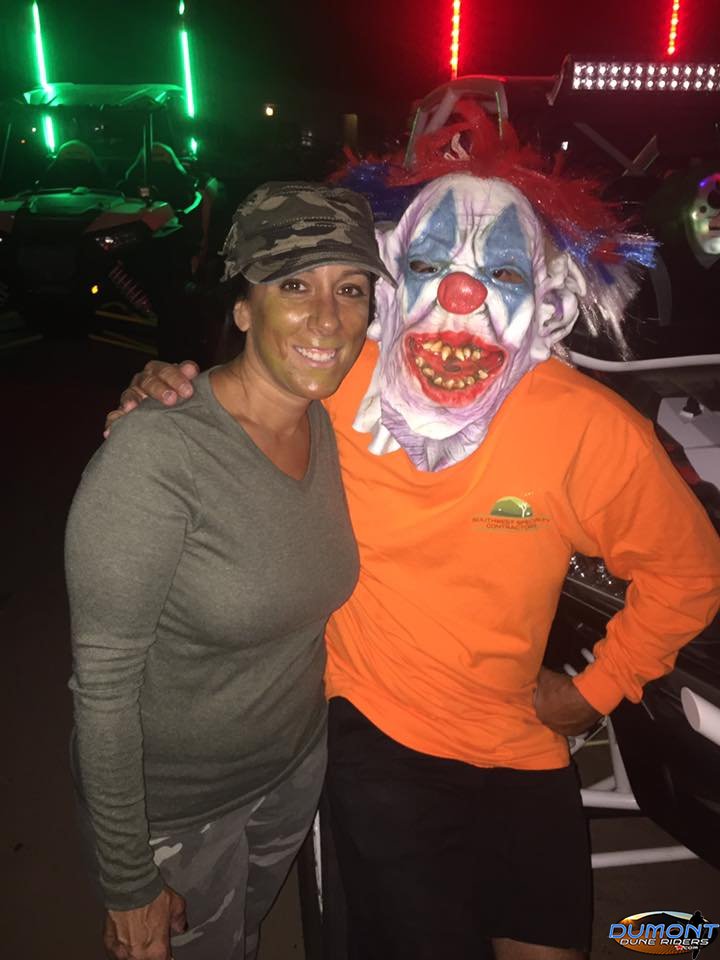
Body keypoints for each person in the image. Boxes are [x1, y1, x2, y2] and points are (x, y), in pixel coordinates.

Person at [108, 111, 720, 960]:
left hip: (520, 741)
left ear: (544, 303)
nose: (462, 297)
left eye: (500, 272)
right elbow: (243, 393)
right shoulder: (335, 375)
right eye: (431, 266)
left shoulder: (587, 429)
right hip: (377, 733)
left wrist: (595, 690)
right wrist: (164, 394)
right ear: (392, 282)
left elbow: (690, 572)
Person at [65, 180, 395, 960]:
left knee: (242, 935)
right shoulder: (156, 455)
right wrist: (128, 878)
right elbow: (101, 687)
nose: (327, 317)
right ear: (243, 309)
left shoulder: (336, 421)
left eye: (350, 289)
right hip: (178, 811)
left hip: (292, 769)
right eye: (294, 286)